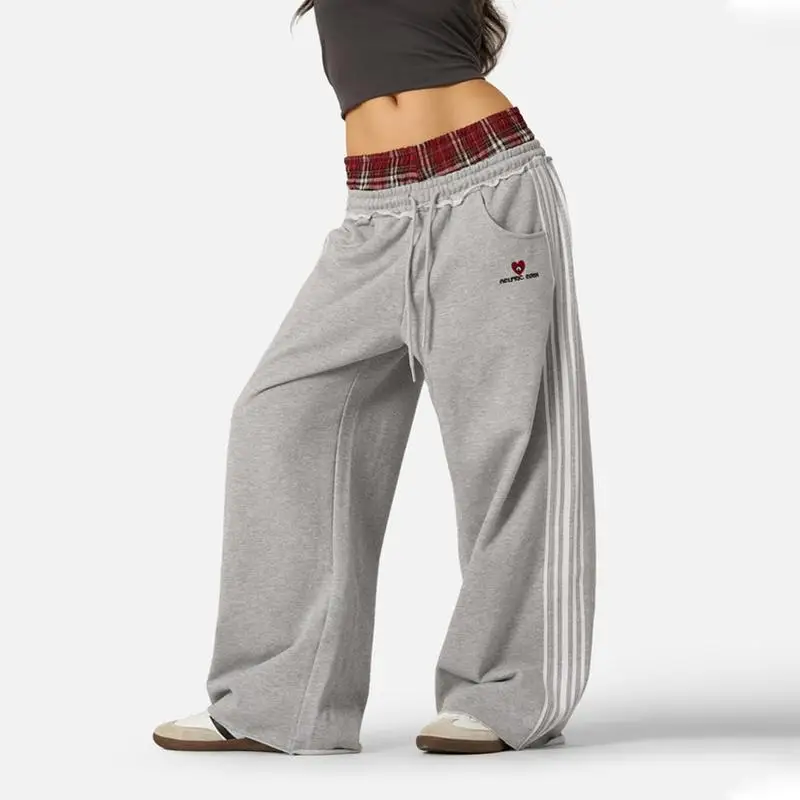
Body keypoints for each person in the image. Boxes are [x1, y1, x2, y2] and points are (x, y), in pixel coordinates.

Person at [153, 0, 595, 756]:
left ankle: (510, 693)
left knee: (507, 441)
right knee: (280, 418)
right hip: (375, 211)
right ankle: (280, 701)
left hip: (488, 187)